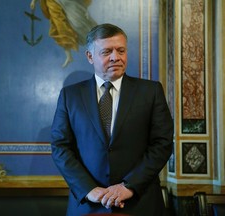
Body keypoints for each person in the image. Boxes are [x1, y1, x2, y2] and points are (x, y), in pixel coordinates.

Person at [51, 23, 174, 216]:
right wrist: (89, 189)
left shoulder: (150, 92)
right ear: (90, 56)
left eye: (121, 50)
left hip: (139, 203)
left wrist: (129, 186)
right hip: (88, 205)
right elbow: (60, 147)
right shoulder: (70, 96)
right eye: (107, 51)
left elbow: (162, 144)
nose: (116, 57)